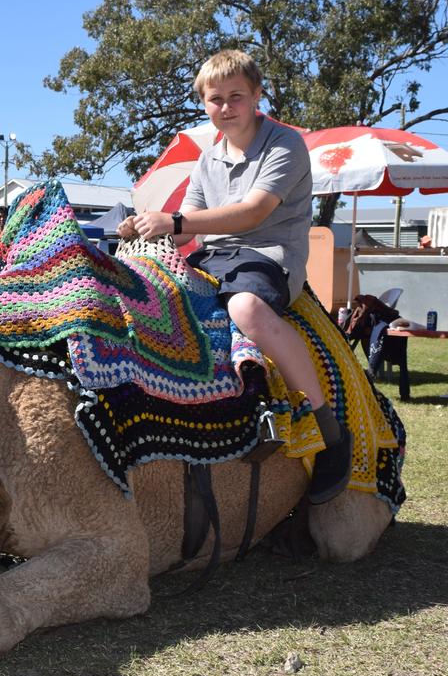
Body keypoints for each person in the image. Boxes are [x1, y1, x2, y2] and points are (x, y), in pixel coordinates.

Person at [118, 49, 350, 504]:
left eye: (235, 97)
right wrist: (144, 224)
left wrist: (176, 223)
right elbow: (190, 216)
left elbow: (253, 212)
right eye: (215, 99)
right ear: (204, 102)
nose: (225, 107)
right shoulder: (209, 158)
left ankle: (328, 428)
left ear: (257, 95)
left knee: (245, 307)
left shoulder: (285, 144)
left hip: (270, 256)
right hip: (216, 258)